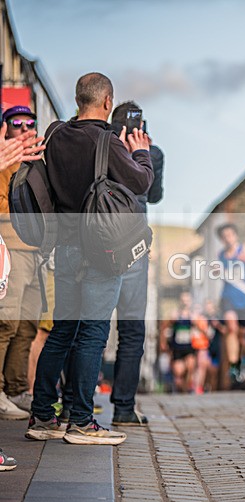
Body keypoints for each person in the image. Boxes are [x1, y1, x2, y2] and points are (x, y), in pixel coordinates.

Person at [26, 72, 152, 445]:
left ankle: (43, 415)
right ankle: (81, 420)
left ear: (78, 98)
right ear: (107, 102)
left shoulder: (55, 134)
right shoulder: (108, 142)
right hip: (99, 249)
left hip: (63, 247)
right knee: (93, 332)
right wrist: (141, 152)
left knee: (62, 331)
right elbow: (142, 183)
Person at [107, 101, 164, 426]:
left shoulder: (104, 146)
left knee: (91, 328)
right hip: (134, 249)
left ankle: (74, 406)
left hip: (99, 243)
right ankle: (124, 408)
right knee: (131, 331)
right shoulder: (152, 153)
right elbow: (154, 195)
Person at [0, 106, 46, 419]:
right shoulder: (4, 163)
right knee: (6, 321)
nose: (26, 128)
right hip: (11, 248)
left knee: (28, 325)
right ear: (6, 129)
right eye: (18, 123)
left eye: (30, 122)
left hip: (36, 252)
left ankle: (16, 390)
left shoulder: (38, 163)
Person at [216, 223, 245, 389]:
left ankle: (241, 360)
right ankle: (233, 365)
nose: (227, 238)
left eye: (230, 235)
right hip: (228, 297)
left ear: (235, 236)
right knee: (231, 328)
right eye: (224, 236)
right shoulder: (220, 255)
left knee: (242, 335)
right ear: (221, 239)